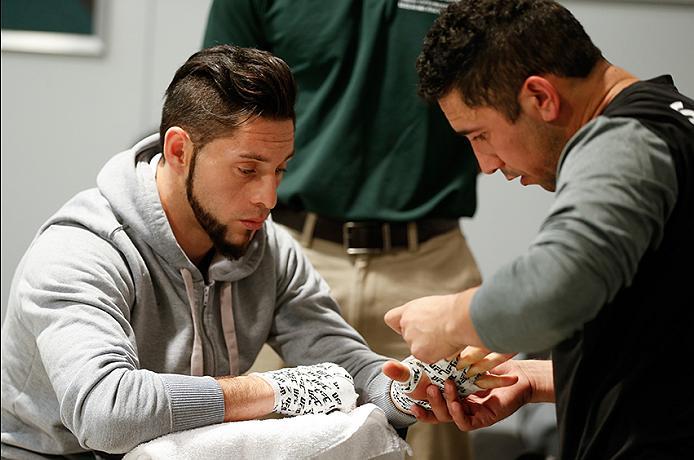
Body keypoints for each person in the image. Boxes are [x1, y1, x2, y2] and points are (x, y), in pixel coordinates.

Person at [0, 44, 509, 459]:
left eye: (281, 169)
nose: (269, 197)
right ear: (178, 151)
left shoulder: (269, 250)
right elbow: (107, 414)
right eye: (248, 170)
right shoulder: (79, 252)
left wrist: (405, 391)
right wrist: (279, 391)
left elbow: (345, 368)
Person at [384, 0, 694, 458]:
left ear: (541, 98)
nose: (486, 165)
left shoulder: (627, 140)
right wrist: (537, 380)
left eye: (479, 136)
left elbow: (554, 288)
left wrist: (449, 320)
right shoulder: (675, 123)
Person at [203, 2, 482, 458]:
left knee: (433, 435)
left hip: (428, 266)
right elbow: (218, 108)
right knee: (260, 444)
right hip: (289, 258)